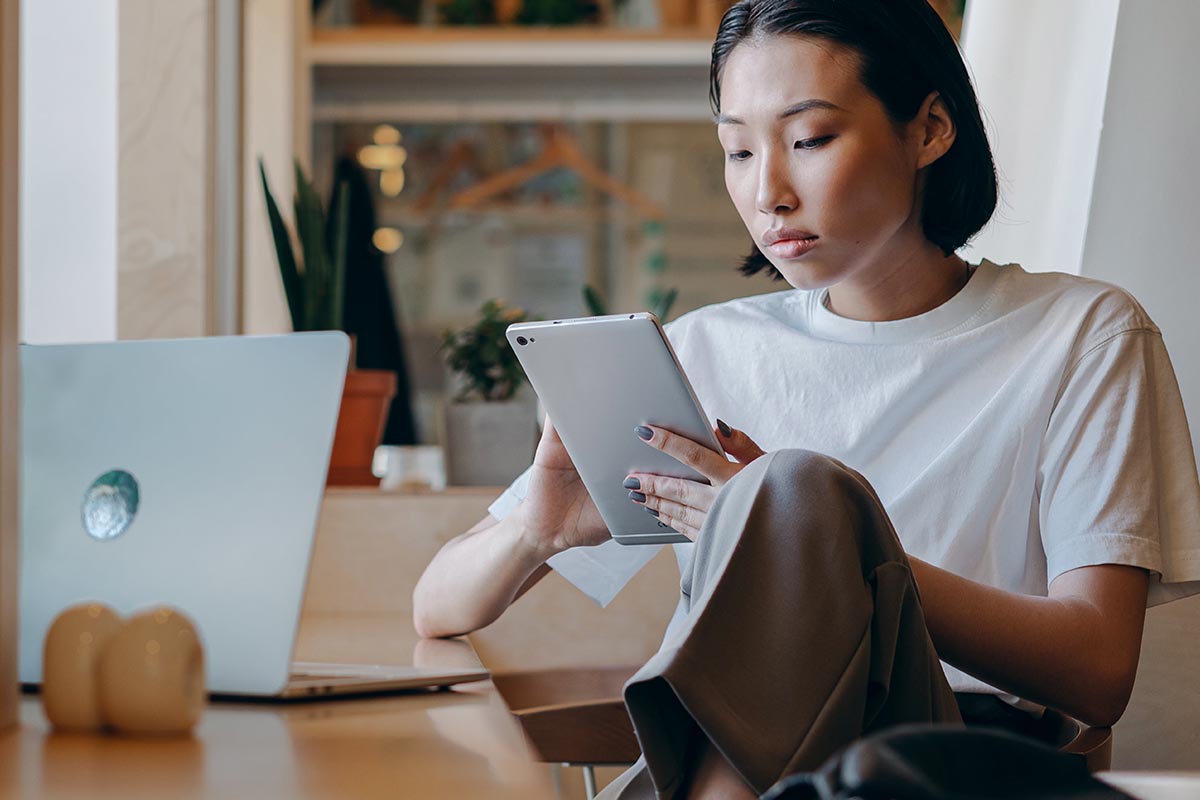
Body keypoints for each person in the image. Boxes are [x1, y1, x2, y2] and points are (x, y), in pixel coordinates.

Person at [413, 0, 1200, 797]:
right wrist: (534, 535)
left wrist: (813, 535)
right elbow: (437, 606)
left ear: (930, 129)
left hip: (937, 763)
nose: (769, 193)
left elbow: (1099, 671)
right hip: (724, 745)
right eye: (737, 150)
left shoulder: (1083, 335)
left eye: (809, 139)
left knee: (799, 488)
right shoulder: (703, 351)